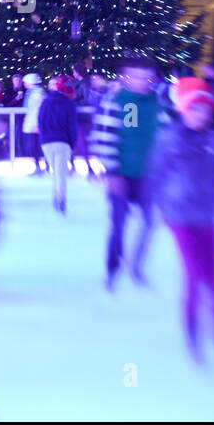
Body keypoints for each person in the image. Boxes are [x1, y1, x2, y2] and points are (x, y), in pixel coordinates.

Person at [147, 78, 214, 364]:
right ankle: (193, 334)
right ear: (184, 110)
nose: (201, 116)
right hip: (180, 216)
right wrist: (159, 207)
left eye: (205, 111)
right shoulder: (170, 138)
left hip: (206, 214)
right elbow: (155, 174)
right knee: (196, 275)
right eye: (195, 110)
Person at [90, 55, 170, 290]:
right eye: (135, 77)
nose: (140, 82)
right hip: (122, 176)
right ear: (126, 77)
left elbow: (164, 138)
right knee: (119, 223)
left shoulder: (158, 104)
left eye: (145, 77)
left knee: (149, 222)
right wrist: (112, 172)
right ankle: (113, 268)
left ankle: (136, 265)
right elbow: (106, 138)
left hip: (149, 176)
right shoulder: (121, 102)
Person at [38, 75, 79, 214]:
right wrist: (72, 144)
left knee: (55, 172)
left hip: (47, 142)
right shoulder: (68, 103)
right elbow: (72, 126)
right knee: (61, 174)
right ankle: (60, 199)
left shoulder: (45, 102)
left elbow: (41, 122)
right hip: (62, 142)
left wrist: (42, 140)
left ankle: (57, 197)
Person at [21, 72, 47, 174]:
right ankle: (39, 167)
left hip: (35, 125)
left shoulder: (37, 94)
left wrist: (36, 125)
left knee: (36, 146)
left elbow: (37, 110)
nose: (24, 84)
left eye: (25, 82)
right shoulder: (33, 93)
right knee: (34, 146)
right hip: (33, 124)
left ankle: (41, 167)